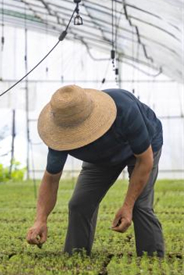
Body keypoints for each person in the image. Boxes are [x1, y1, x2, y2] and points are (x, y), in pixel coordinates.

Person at [26, 85, 164, 256]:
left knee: (140, 206)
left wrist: (127, 205)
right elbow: (51, 179)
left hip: (143, 150)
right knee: (79, 204)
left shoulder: (125, 110)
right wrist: (40, 219)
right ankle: (76, 258)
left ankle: (152, 261)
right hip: (100, 158)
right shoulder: (58, 136)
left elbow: (144, 160)